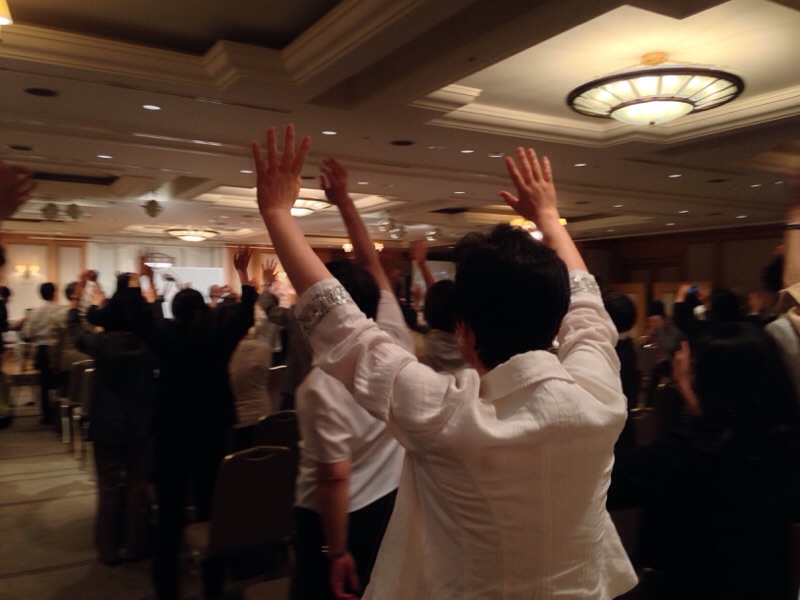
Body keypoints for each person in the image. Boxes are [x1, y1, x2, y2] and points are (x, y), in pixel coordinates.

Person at [251, 126, 636, 599]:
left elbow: (342, 329)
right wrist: (549, 218)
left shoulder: (448, 414)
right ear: (556, 322)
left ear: (464, 331)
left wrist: (276, 212)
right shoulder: (600, 394)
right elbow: (589, 310)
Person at [290, 157, 413, 600]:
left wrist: (335, 549)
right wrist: (343, 200)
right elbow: (371, 264)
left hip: (340, 517)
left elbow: (335, 477)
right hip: (392, 498)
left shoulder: (321, 385)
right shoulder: (394, 337)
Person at [608, 325, 800, 599]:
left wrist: (686, 391)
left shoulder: (696, 453)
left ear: (708, 384)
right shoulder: (782, 443)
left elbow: (604, 479)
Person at [142, 247, 256, 600]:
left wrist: (145, 281)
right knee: (211, 515)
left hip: (172, 436)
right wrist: (244, 276)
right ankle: (213, 589)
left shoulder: (167, 341)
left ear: (175, 314)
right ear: (203, 310)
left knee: (170, 519)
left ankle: (167, 589)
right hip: (212, 435)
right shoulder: (218, 340)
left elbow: (147, 322)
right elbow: (245, 316)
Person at [74, 272, 156, 565]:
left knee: (108, 487)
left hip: (107, 424)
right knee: (136, 487)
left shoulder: (101, 344)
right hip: (142, 423)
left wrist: (79, 293)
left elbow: (75, 328)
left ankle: (108, 550)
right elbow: (158, 322)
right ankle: (134, 546)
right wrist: (150, 289)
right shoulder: (149, 344)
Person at [411, 241, 470, 374]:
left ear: (428, 311)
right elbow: (441, 299)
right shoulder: (472, 346)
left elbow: (438, 299)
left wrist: (422, 265)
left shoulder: (420, 345)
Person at [22, 282, 64, 425]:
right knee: (60, 381)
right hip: (58, 349)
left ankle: (47, 415)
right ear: (54, 293)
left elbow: (28, 333)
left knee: (44, 383)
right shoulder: (61, 310)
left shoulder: (35, 312)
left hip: (42, 350)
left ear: (40, 294)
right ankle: (61, 412)